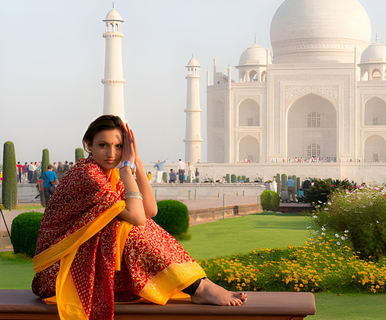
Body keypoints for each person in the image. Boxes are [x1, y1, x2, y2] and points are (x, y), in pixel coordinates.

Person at [31, 115, 246, 320]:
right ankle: (199, 288)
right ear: (89, 145)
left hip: (86, 261)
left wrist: (138, 163)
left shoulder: (109, 172)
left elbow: (150, 211)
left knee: (134, 225)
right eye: (102, 145)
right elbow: (137, 217)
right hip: (57, 273)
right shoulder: (88, 174)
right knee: (128, 227)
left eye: (118, 146)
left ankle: (199, 284)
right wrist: (127, 169)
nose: (111, 153)